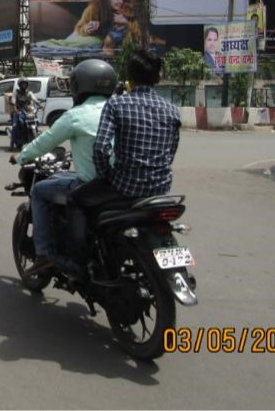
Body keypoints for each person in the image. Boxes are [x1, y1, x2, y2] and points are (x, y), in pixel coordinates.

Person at [65, 51, 182, 273]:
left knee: (75, 201)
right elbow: (171, 150)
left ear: (128, 78)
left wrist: (105, 176)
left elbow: (101, 148)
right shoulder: (171, 109)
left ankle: (78, 262)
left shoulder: (118, 105)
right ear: (157, 78)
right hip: (160, 188)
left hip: (124, 186)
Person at [11, 59, 118, 276]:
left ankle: (45, 253)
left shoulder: (76, 115)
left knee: (39, 191)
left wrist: (21, 156)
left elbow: (45, 142)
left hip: (93, 184)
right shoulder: (122, 109)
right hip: (124, 182)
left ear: (78, 87)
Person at [72, 0, 142, 53]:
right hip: (96, 41)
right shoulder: (93, 9)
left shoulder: (125, 10)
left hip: (117, 45)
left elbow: (137, 33)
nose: (121, 1)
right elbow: (78, 28)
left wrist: (125, 22)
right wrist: (87, 28)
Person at [9, 78, 39, 151]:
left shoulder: (29, 92)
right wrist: (15, 108)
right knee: (15, 125)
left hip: (27, 111)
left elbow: (34, 99)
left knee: (36, 120)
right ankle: (12, 143)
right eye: (22, 84)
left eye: (25, 84)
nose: (24, 85)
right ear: (19, 85)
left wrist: (39, 104)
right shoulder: (16, 92)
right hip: (18, 111)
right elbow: (13, 101)